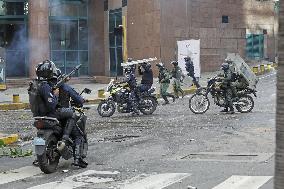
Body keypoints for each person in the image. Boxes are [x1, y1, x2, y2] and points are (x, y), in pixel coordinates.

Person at [33, 60, 88, 168]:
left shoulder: (40, 85)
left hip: (42, 116)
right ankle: (77, 158)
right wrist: (82, 100)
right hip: (56, 114)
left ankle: (38, 158)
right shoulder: (58, 88)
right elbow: (78, 100)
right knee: (78, 133)